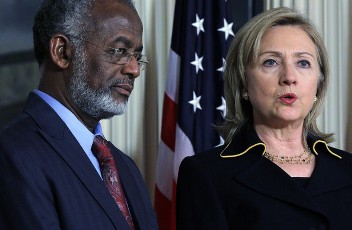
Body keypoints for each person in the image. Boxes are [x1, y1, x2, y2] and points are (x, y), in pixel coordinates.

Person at [176, 7, 352, 230]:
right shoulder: (207, 174)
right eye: (271, 62)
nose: (289, 77)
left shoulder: (347, 168)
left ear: (318, 85)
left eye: (303, 63)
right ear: (243, 84)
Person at [0, 0, 158, 229]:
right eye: (120, 51)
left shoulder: (125, 167)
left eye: (137, 56)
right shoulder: (13, 154)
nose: (134, 70)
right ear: (62, 52)